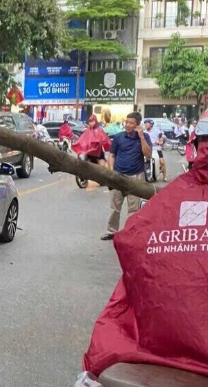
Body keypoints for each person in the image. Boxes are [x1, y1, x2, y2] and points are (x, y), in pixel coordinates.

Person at [84, 113, 208, 378]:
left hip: (167, 342)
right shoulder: (177, 194)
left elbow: (139, 241)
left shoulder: (177, 193)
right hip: (121, 177)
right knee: (121, 213)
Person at [101, 112, 152, 241]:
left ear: (137, 125)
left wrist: (141, 137)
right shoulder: (118, 137)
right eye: (126, 122)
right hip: (118, 175)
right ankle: (111, 231)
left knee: (133, 208)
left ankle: (130, 232)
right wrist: (111, 172)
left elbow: (148, 155)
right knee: (114, 206)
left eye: (131, 123)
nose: (127, 125)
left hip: (135, 176)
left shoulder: (144, 137)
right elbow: (111, 155)